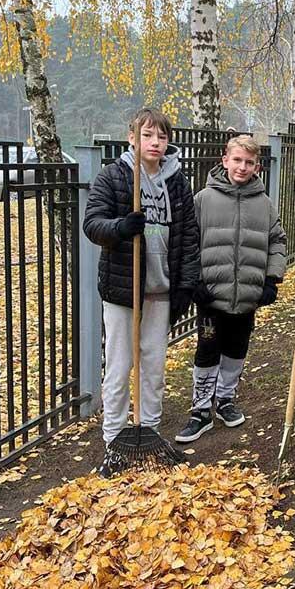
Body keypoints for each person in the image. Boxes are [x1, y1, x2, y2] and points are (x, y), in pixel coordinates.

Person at [82, 108, 200, 477]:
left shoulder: (177, 182)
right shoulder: (115, 176)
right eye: (147, 135)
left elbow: (189, 237)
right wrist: (120, 227)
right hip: (123, 291)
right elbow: (92, 224)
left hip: (161, 292)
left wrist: (186, 285)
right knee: (119, 369)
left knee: (154, 370)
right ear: (132, 138)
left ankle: (149, 434)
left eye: (162, 137)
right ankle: (114, 442)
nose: (155, 143)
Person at [176, 135, 287, 443]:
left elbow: (277, 241)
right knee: (208, 348)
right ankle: (201, 409)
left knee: (237, 348)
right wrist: (194, 280)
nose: (242, 167)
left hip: (247, 295)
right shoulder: (203, 200)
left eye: (249, 162)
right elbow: (189, 242)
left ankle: (225, 399)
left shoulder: (264, 205)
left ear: (258, 167)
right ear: (224, 161)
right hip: (211, 295)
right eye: (237, 160)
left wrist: (271, 279)